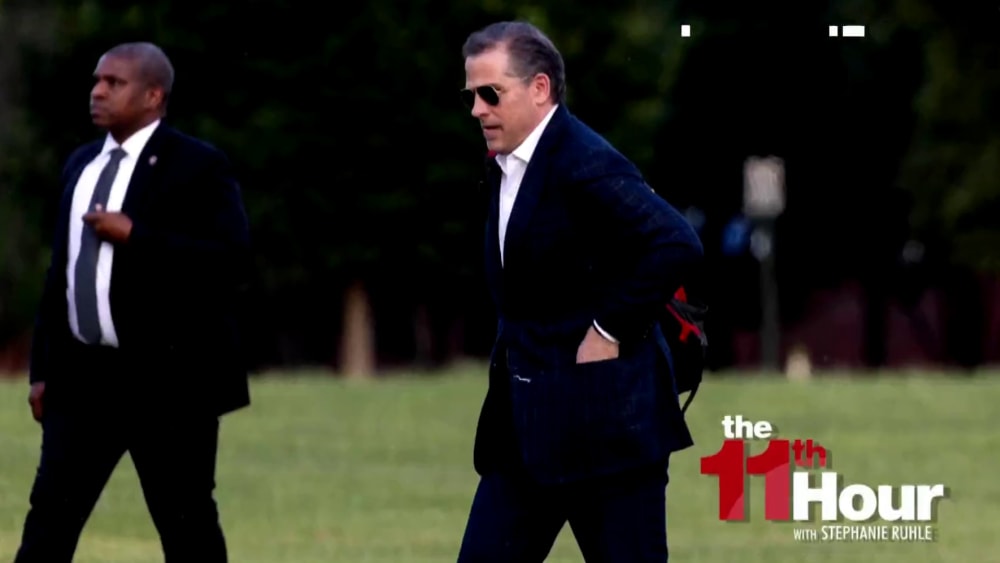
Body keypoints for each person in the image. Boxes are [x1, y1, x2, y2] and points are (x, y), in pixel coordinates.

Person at [456, 21, 704, 562]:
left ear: (539, 88)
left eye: (490, 93)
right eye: (471, 95)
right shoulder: (504, 164)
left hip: (609, 436)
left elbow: (675, 242)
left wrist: (609, 329)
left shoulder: (586, 161)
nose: (477, 109)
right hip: (524, 434)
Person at [14, 42, 251, 562]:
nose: (97, 92)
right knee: (49, 520)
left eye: (114, 83)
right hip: (82, 380)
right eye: (96, 81)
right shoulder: (81, 163)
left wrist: (137, 236)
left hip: (169, 381)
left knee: (186, 523)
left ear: (153, 95)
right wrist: (42, 370)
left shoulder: (198, 165)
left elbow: (230, 261)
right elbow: (60, 275)